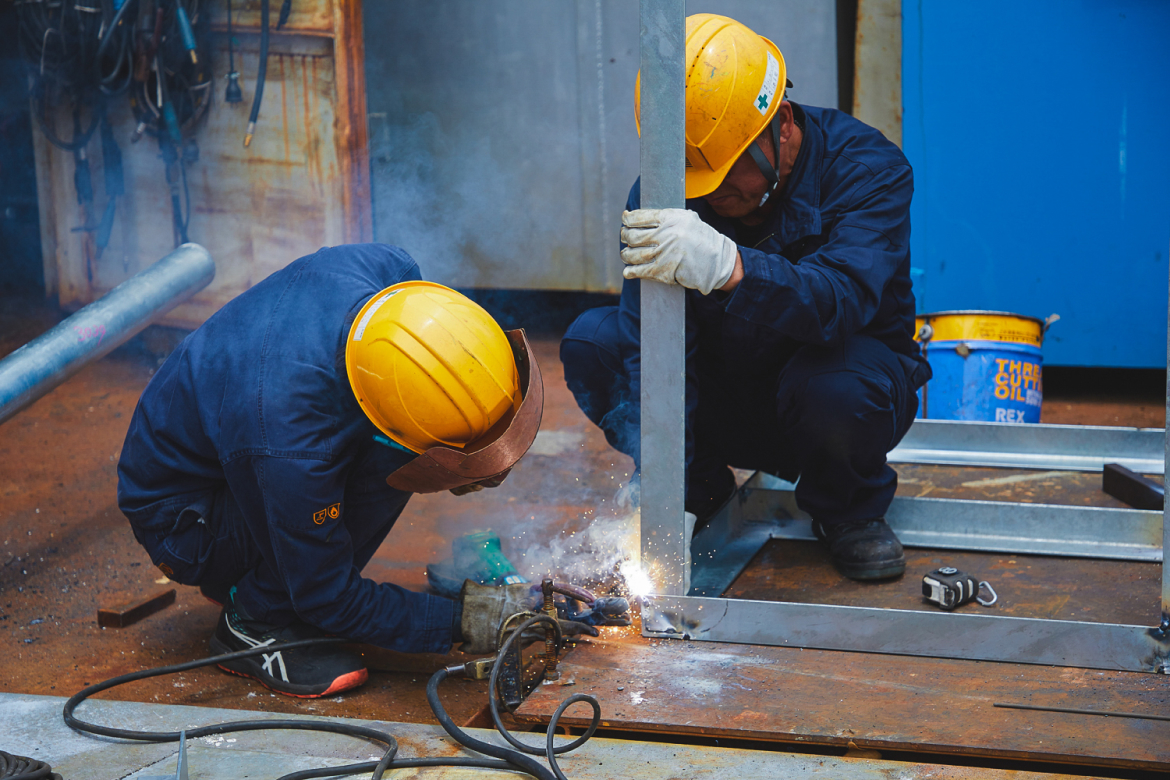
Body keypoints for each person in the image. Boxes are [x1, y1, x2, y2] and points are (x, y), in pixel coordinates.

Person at [117, 243, 597, 697]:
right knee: (390, 467)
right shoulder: (292, 443)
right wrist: (479, 618)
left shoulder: (389, 272)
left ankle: (265, 571)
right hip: (184, 519)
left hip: (241, 451)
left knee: (386, 457)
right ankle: (254, 626)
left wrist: (463, 451)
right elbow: (329, 597)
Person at [561, 14, 931, 581]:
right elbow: (652, 347)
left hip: (832, 396)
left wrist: (731, 267)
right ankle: (700, 491)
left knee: (837, 387)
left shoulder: (868, 171)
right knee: (597, 343)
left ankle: (848, 510)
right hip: (730, 393)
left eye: (729, 169)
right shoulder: (668, 191)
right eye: (694, 173)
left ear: (781, 123)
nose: (712, 191)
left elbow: (840, 302)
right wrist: (665, 491)